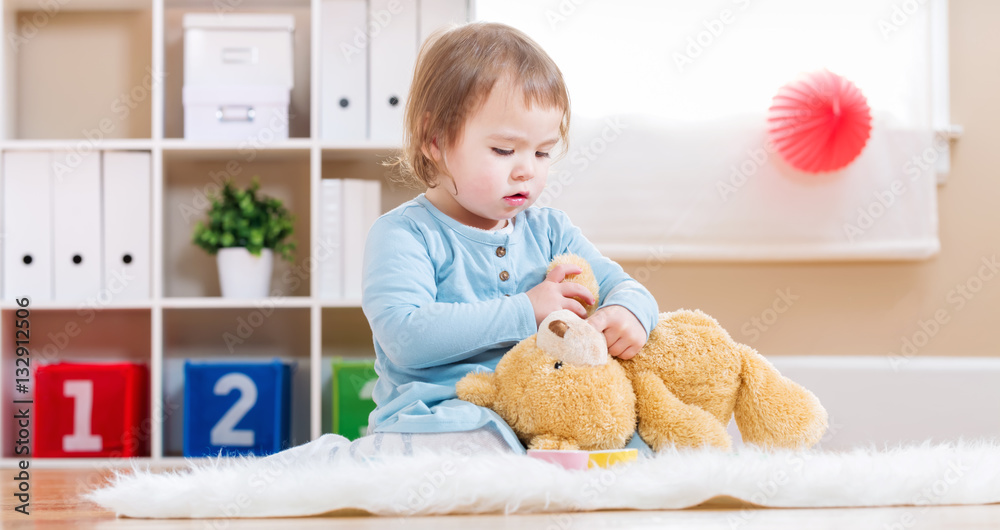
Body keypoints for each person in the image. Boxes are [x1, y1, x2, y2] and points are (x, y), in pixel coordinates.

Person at [356, 21, 659, 457]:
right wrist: (525, 310)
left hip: (541, 415)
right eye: (504, 150)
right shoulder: (406, 233)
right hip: (441, 416)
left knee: (636, 441)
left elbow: (623, 285)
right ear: (435, 140)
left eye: (542, 152)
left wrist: (629, 311)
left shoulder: (550, 230)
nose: (526, 170)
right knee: (479, 445)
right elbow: (405, 338)